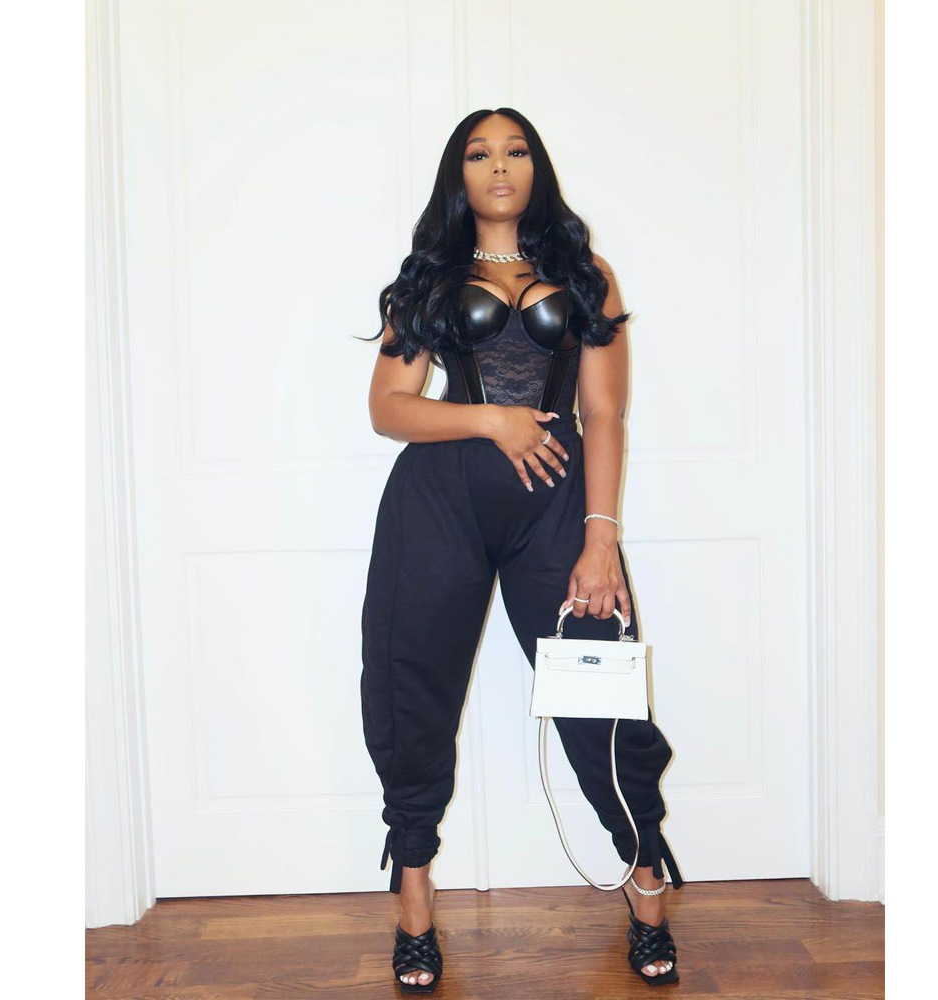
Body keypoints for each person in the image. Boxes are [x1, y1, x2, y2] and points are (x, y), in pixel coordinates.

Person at [357, 107, 684, 993]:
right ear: (458, 173)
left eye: (515, 150)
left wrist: (600, 536)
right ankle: (414, 903)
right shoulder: (430, 278)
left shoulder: (585, 276)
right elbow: (389, 407)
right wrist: (493, 420)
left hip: (559, 507)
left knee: (598, 694)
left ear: (536, 166)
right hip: (438, 502)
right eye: (479, 153)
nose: (498, 166)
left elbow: (604, 413)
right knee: (412, 690)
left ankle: (646, 886)